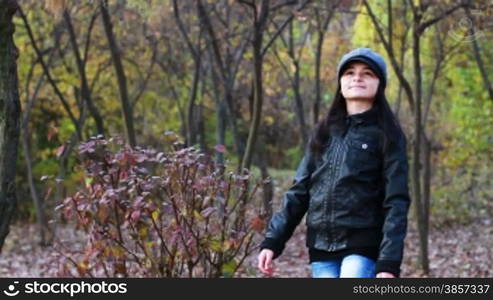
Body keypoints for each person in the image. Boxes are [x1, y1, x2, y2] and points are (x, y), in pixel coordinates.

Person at [257, 48, 411, 278]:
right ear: (340, 82)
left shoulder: (387, 135)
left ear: (380, 84)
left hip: (363, 243)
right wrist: (273, 240)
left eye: (367, 73)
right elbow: (299, 191)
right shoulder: (324, 132)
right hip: (320, 248)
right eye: (349, 72)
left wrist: (389, 261)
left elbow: (396, 201)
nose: (357, 77)